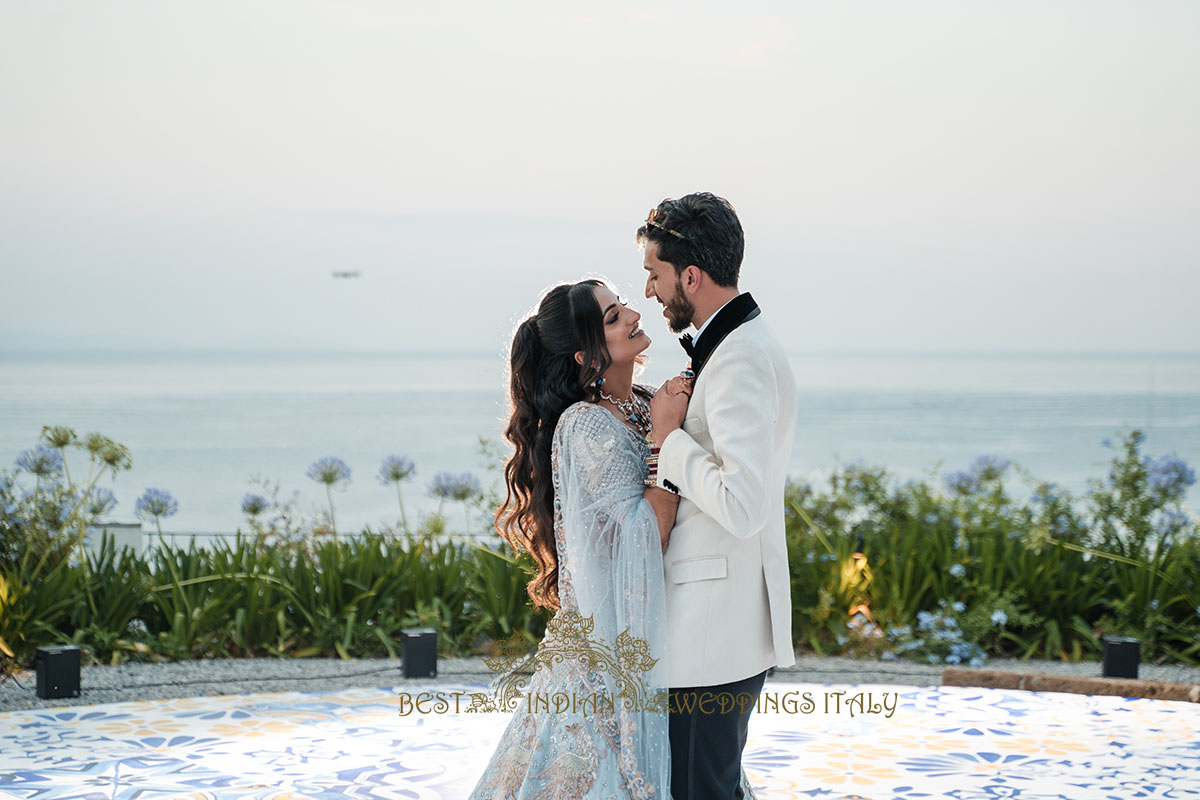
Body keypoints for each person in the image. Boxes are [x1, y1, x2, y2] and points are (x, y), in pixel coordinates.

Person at [469, 278, 691, 799]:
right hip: (599, 667)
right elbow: (641, 537)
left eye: (622, 306)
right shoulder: (585, 425)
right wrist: (665, 441)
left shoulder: (637, 400)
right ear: (584, 355)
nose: (634, 314)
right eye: (613, 317)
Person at [639, 193, 798, 800]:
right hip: (712, 630)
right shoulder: (734, 346)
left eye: (655, 275)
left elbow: (742, 503)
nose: (650, 292)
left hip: (715, 633)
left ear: (691, 275)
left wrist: (669, 440)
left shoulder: (739, 359)